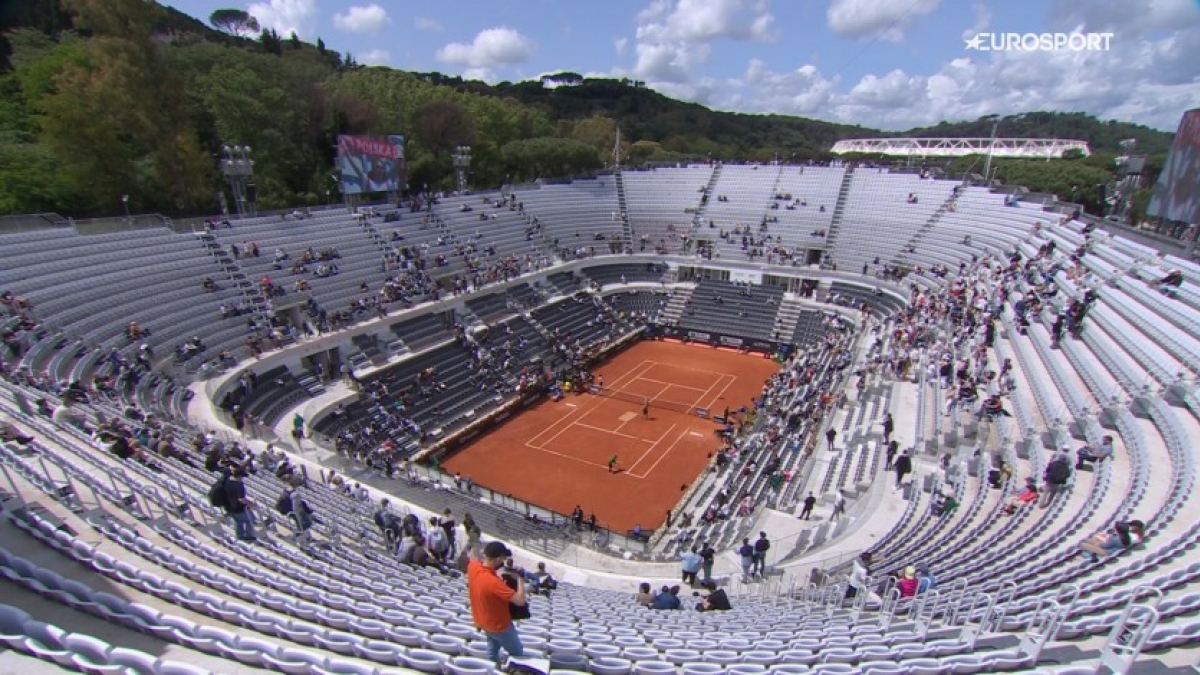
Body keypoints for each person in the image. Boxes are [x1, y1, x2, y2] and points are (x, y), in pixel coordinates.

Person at [468, 541, 527, 664]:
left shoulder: (472, 567)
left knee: (492, 649)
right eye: (503, 559)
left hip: (483, 621)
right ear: (498, 558)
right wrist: (521, 578)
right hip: (500, 625)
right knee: (518, 652)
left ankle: (493, 670)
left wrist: (499, 573)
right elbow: (520, 601)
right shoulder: (494, 583)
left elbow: (475, 554)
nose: (503, 561)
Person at [1079, 520, 1145, 561]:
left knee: (1083, 544)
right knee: (1091, 540)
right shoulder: (1127, 537)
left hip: (1107, 552)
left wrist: (1098, 542)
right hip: (1113, 547)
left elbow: (1104, 546)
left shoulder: (1117, 539)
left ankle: (1090, 555)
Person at [224, 466, 256, 542]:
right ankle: (249, 536)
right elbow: (241, 499)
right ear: (240, 476)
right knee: (251, 519)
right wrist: (251, 504)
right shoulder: (239, 484)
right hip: (237, 508)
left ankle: (240, 536)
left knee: (239, 521)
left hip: (229, 506)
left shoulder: (227, 481)